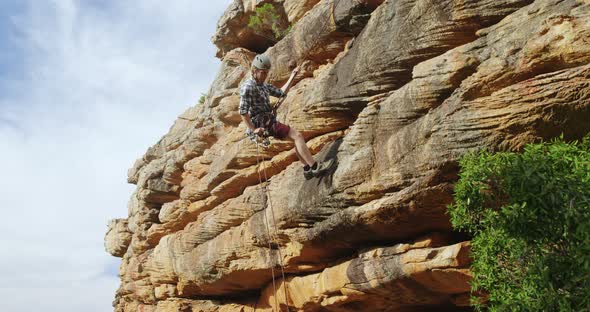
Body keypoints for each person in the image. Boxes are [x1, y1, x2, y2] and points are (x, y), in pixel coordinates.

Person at [239, 54, 333, 180]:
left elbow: (281, 93)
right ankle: (315, 167)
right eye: (263, 72)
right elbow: (243, 111)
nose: (265, 75)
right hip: (262, 123)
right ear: (254, 70)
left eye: (267, 72)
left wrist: (293, 76)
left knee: (295, 138)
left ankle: (307, 169)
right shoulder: (248, 87)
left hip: (267, 121)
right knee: (297, 136)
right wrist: (253, 129)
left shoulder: (263, 86)